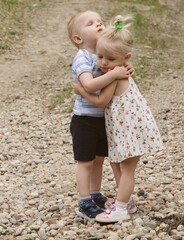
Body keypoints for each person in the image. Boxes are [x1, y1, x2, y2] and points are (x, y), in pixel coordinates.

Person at [73, 15, 164, 223]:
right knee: (116, 164)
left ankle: (122, 207)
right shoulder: (111, 67)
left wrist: (80, 90)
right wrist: (119, 68)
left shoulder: (114, 73)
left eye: (110, 59)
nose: (104, 63)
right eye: (101, 57)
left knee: (125, 168)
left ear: (125, 58)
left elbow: (101, 100)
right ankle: (123, 201)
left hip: (128, 127)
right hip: (121, 126)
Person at [67, 10, 133, 219]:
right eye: (90, 23)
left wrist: (124, 68)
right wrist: (114, 73)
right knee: (85, 161)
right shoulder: (83, 57)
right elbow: (88, 84)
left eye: (100, 21)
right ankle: (85, 201)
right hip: (85, 120)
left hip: (104, 119)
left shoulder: (103, 55)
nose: (98, 24)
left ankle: (95, 194)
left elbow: (117, 68)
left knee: (99, 159)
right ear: (78, 38)